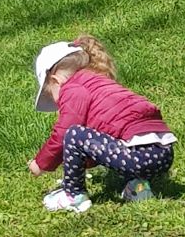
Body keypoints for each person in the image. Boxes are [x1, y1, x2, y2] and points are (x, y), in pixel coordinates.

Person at [28, 35, 176, 212]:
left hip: (138, 155)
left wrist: (41, 163)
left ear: (55, 81)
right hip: (163, 153)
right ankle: (138, 188)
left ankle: (74, 196)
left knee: (74, 134)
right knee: (118, 143)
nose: (57, 103)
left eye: (51, 95)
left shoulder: (73, 89)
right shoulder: (99, 84)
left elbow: (64, 132)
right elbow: (99, 143)